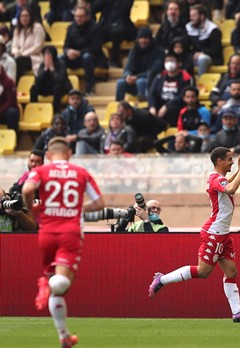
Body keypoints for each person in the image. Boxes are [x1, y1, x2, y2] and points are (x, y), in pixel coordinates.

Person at [147, 148, 240, 323]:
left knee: (231, 271)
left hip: (223, 234)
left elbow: (227, 182)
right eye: (229, 159)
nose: (232, 162)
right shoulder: (216, 179)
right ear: (219, 160)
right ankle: (162, 279)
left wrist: (238, 170)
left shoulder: (217, 179)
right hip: (214, 232)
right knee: (203, 271)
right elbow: (230, 189)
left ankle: (237, 311)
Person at [23, 136, 105, 347]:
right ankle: (47, 285)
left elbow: (26, 190)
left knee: (59, 286)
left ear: (48, 156)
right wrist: (79, 208)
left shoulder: (41, 171)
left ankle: (64, 337)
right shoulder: (81, 172)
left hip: (46, 232)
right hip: (70, 232)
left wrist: (32, 208)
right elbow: (99, 203)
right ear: (69, 153)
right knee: (61, 284)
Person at [62, 5, 106, 95]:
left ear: (88, 17)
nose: (78, 19)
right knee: (60, 58)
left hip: (93, 57)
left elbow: (95, 48)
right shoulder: (71, 28)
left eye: (81, 16)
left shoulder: (96, 28)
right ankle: (65, 87)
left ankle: (90, 87)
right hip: (75, 58)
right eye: (76, 16)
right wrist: (68, 51)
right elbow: (65, 46)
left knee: (87, 57)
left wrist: (79, 53)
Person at [115, 26, 164, 102]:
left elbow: (155, 70)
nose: (143, 40)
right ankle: (118, 106)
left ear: (150, 39)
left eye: (146, 38)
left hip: (151, 82)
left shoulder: (159, 51)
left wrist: (137, 77)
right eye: (141, 38)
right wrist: (127, 76)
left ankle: (145, 104)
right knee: (120, 83)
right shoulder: (134, 50)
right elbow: (128, 67)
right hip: (135, 81)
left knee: (141, 81)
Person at [186, 4, 223, 75]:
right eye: (190, 16)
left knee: (202, 59)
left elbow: (216, 49)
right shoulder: (188, 28)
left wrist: (202, 53)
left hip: (211, 57)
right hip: (194, 57)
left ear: (202, 16)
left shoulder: (213, 30)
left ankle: (201, 81)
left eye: (194, 16)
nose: (191, 18)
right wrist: (194, 54)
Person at [11, 6, 45, 82]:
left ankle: (15, 85)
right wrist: (17, 53)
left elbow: (38, 47)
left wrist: (23, 53)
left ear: (31, 17)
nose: (24, 18)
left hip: (34, 57)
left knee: (18, 61)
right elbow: (14, 46)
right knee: (9, 60)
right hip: (19, 56)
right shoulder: (17, 29)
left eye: (26, 16)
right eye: (22, 16)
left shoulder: (38, 28)